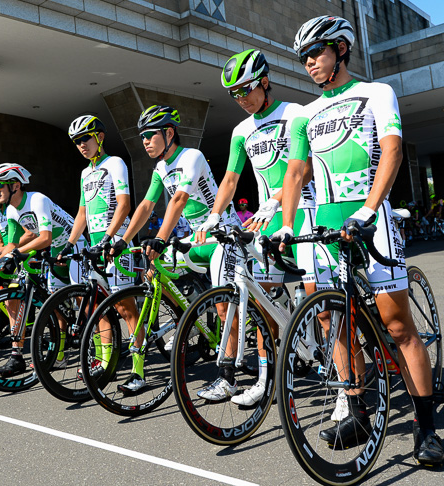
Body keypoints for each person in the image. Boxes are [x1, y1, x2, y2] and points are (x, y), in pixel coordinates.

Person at [276, 15, 443, 465]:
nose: (310, 63)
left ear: (341, 51)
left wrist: (369, 210)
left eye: (318, 53)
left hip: (370, 219)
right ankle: (359, 413)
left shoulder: (376, 93)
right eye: (305, 58)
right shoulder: (304, 115)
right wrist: (288, 227)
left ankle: (425, 429)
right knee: (335, 323)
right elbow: (295, 173)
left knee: (396, 325)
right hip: (324, 227)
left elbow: (391, 149)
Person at [195, 48, 319, 404]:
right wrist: (215, 215)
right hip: (267, 223)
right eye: (233, 94)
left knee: (321, 306)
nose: (241, 99)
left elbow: (304, 168)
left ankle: (347, 383)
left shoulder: (294, 114)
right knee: (264, 309)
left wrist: (277, 197)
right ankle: (268, 380)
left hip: (305, 214)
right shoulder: (240, 131)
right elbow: (231, 179)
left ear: (265, 82)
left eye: (246, 89)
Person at [110, 104, 240, 394]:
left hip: (223, 234)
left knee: (223, 307)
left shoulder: (191, 156)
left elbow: (179, 199)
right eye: (141, 136)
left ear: (169, 133)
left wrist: (159, 237)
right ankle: (189, 318)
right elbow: (146, 205)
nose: (144, 141)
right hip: (197, 237)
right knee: (156, 270)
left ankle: (230, 372)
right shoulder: (160, 167)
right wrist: (123, 240)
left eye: (150, 135)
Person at [0, 163, 82, 377]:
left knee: (80, 302)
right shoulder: (11, 210)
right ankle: (59, 355)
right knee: (54, 305)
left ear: (16, 185)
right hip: (54, 253)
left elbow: (45, 237)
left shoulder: (36, 199)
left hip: (74, 246)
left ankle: (100, 351)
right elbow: (12, 243)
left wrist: (15, 254)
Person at [63, 115, 137, 374]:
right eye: (76, 142)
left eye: (85, 139)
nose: (81, 145)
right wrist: (69, 244)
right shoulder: (85, 172)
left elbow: (125, 204)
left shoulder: (115, 163)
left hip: (116, 242)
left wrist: (108, 237)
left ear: (100, 137)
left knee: (125, 308)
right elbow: (82, 213)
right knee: (96, 307)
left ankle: (139, 369)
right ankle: (105, 362)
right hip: (96, 246)